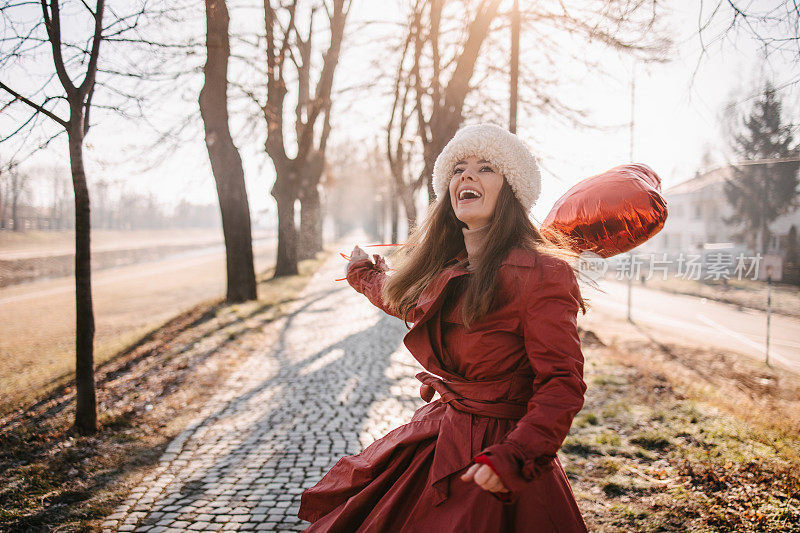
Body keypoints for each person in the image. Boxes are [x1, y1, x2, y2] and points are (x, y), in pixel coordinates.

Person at [298, 123, 590, 532]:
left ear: (511, 191)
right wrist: (364, 273)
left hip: (501, 457)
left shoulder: (543, 273)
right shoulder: (451, 266)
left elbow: (562, 382)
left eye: (486, 167)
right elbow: (410, 302)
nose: (466, 176)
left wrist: (516, 456)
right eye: (458, 169)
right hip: (440, 436)